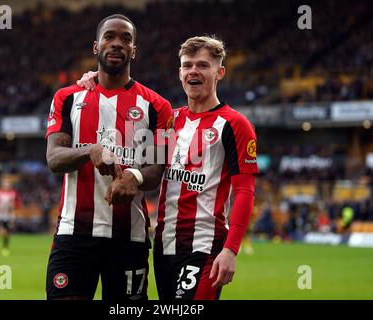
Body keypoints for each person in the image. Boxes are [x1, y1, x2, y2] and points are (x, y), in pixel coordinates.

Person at [89, 35, 258, 300]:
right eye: (187, 65)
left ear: (220, 72)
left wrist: (231, 250)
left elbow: (245, 192)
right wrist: (94, 80)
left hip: (204, 245)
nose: (194, 71)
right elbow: (128, 120)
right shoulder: (169, 120)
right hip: (164, 245)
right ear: (180, 73)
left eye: (203, 65)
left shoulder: (234, 125)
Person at [45, 14, 172, 301]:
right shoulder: (66, 98)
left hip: (129, 240)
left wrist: (135, 175)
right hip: (74, 236)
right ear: (95, 46)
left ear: (134, 51)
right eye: (109, 37)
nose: (117, 44)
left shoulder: (158, 106)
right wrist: (91, 151)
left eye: (126, 39)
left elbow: (157, 169)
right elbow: (54, 158)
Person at [0, 178, 20, 257]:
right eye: (5, 184)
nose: (6, 186)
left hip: (9, 215)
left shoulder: (13, 193)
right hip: (0, 215)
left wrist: (13, 207)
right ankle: (4, 244)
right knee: (1, 231)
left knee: (7, 233)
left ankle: (5, 247)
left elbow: (17, 204)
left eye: (7, 185)